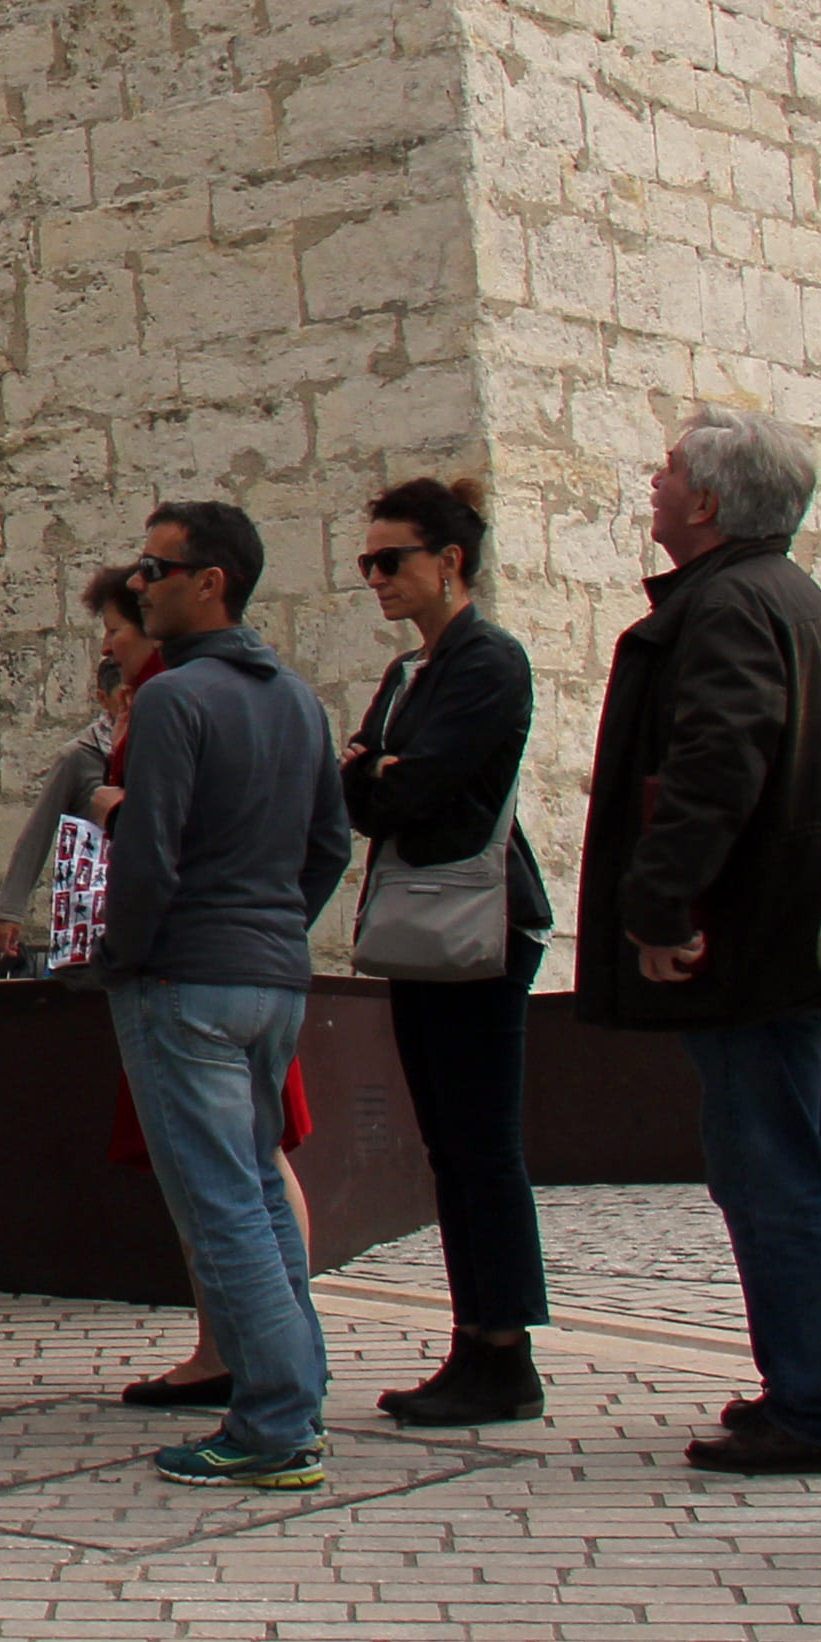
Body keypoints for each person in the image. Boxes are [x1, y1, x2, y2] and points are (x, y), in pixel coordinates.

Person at [575, 409, 821, 1478]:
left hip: (756, 949)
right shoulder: (789, 597)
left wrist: (661, 907)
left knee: (773, 1174)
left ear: (704, 502)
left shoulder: (733, 604)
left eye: (664, 472)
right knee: (784, 1167)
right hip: (797, 942)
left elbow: (716, 764)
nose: (651, 485)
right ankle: (807, 1382)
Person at [101, 499, 351, 1491]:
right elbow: (329, 842)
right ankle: (295, 1396)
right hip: (271, 973)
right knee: (255, 1185)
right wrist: (280, 923)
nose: (139, 586)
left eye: (155, 571)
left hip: (187, 977)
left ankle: (276, 1420)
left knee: (222, 1204)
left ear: (213, 582)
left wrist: (124, 952)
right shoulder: (296, 699)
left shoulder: (173, 700)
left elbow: (150, 853)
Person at [340, 476, 553, 1427]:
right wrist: (373, 774)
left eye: (392, 560)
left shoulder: (487, 662)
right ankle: (477, 1341)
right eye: (367, 562)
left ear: (449, 562)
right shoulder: (409, 674)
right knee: (448, 1144)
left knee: (482, 1142)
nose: (376, 578)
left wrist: (378, 773)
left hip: (482, 925)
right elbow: (359, 791)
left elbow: (410, 794)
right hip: (424, 925)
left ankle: (503, 1351)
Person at [0, 569, 147, 967]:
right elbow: (38, 832)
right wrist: (11, 911)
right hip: (90, 915)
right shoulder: (80, 756)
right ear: (102, 699)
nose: (127, 706)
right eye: (119, 698)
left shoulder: (158, 741)